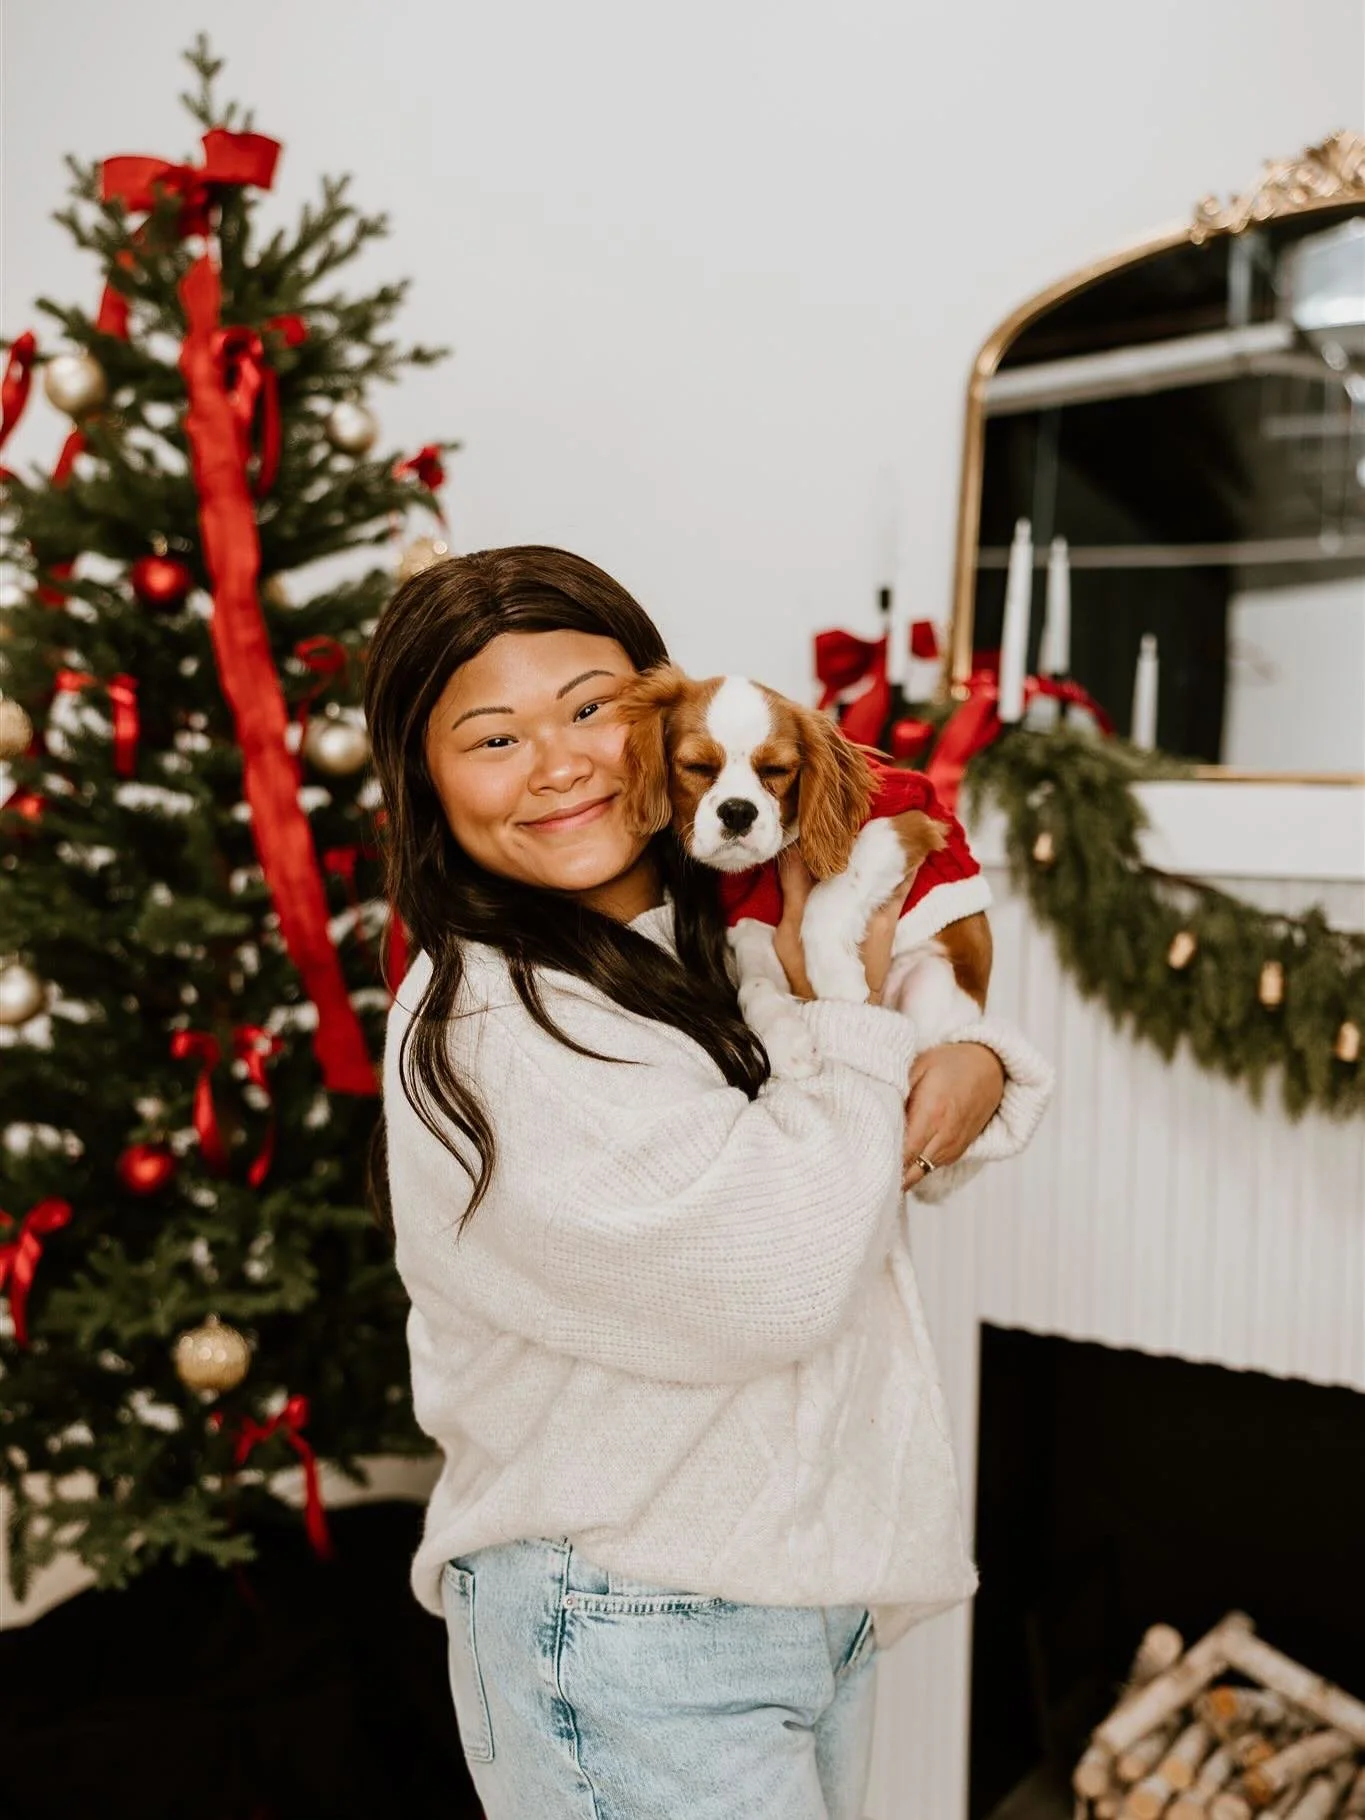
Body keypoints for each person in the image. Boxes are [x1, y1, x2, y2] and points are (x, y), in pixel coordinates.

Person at [363, 546, 1052, 1820]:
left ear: (664, 716)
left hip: (787, 1583)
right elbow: (781, 1271)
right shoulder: (493, 1024)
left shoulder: (700, 917)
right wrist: (843, 1002)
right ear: (427, 783)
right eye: (494, 737)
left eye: (589, 708)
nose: (561, 760)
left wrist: (964, 1046)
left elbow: (840, 1152)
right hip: (632, 1615)